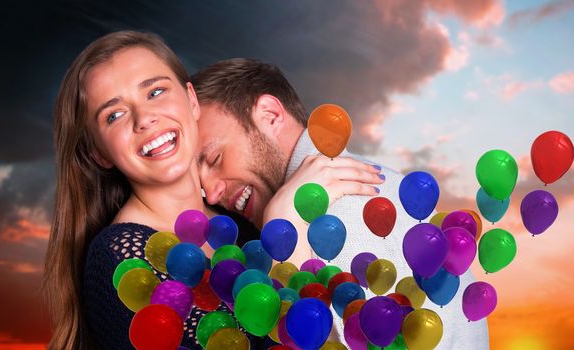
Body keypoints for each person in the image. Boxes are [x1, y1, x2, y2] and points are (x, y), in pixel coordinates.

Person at [43, 31, 377, 350]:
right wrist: (284, 226)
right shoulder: (120, 258)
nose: (144, 118)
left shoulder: (244, 229)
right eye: (114, 114)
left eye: (155, 92)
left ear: (191, 101)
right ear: (97, 153)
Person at [192, 58, 490, 349]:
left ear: (270, 115)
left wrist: (282, 231)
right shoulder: (364, 181)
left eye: (215, 158)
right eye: (199, 179)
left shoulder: (340, 215)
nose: (211, 193)